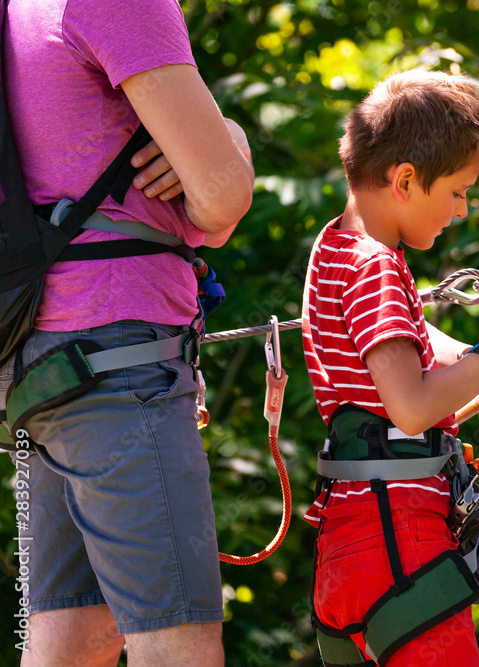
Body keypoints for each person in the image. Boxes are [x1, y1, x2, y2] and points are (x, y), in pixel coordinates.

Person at [1, 0, 254, 665]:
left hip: (33, 367)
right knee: (180, 645)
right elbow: (221, 199)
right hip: (120, 365)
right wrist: (231, 139)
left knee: (72, 641)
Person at [302, 69, 479, 666]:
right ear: (405, 179)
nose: (459, 210)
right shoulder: (378, 267)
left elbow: (405, 356)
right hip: (397, 538)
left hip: (348, 546)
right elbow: (409, 405)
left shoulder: (336, 249)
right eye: (456, 191)